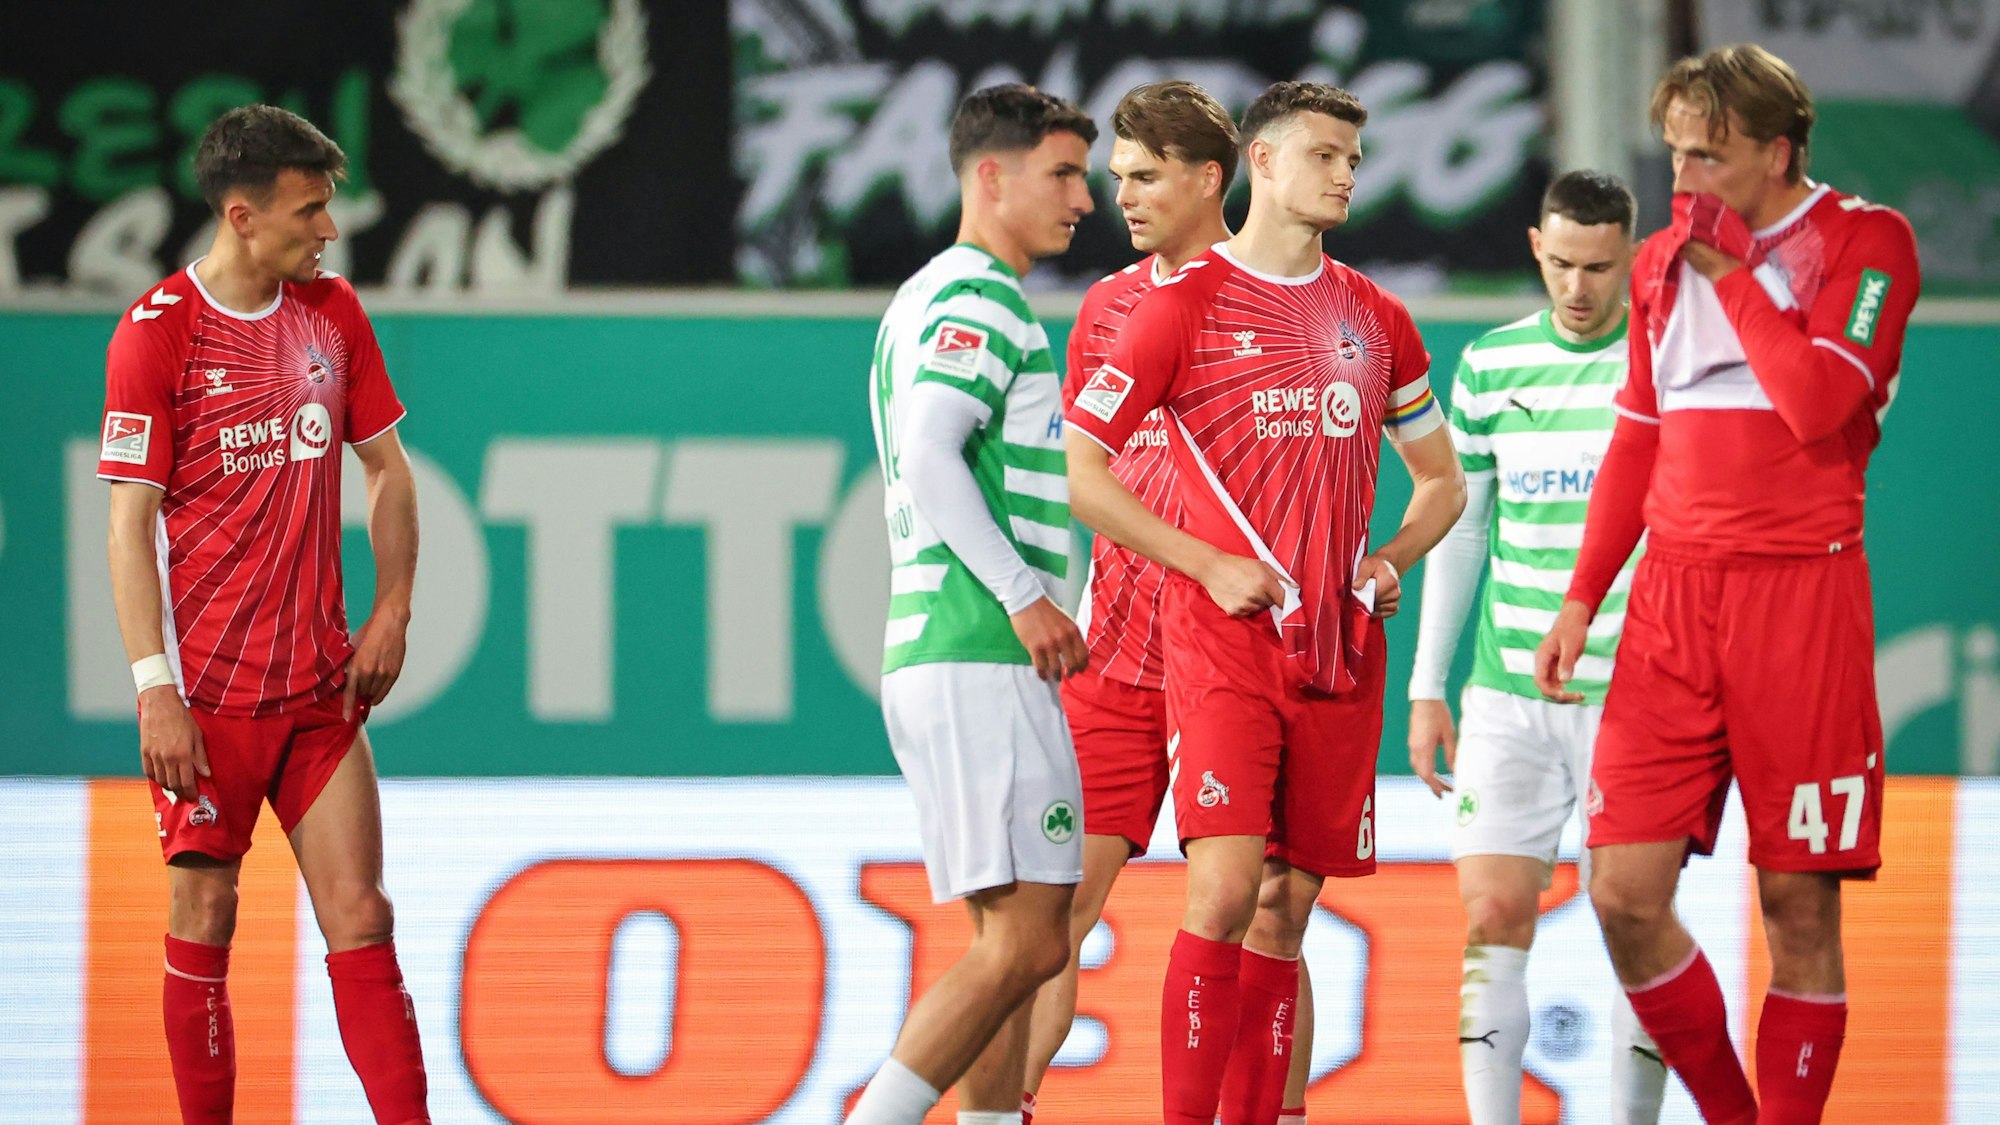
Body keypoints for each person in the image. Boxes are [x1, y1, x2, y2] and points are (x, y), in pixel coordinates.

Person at [1064, 81, 1465, 1125]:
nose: (1342, 174)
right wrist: (1199, 562)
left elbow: (1442, 483)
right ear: (1261, 161)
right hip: (1222, 645)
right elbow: (1083, 473)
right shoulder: (1179, 306)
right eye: (1323, 155)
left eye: (1351, 160)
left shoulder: (1375, 318)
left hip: (1336, 652)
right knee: (1226, 889)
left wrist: (1390, 562)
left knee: (1285, 916)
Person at [1535, 44, 1921, 1125]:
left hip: (1799, 598)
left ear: (1776, 151)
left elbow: (1812, 405)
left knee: (1796, 905)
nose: (1681, 180)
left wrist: (1730, 272)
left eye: (1706, 157)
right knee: (1618, 891)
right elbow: (1637, 436)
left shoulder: (1866, 240)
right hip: (1669, 602)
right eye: (1671, 155)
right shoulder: (1660, 257)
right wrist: (1580, 596)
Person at [98, 105, 428, 1124]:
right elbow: (127, 529)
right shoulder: (159, 336)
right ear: (242, 217)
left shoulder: (333, 316)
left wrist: (393, 613)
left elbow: (388, 472)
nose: (326, 231)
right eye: (309, 212)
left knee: (362, 916)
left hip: (318, 697)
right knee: (206, 908)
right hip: (207, 709)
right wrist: (155, 689)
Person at [1020, 79, 1329, 1125]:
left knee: (1268, 913)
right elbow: (1087, 474)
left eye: (1143, 177)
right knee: (1050, 916)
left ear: (1211, 177)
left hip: (1238, 651)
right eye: (1114, 180)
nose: (1121, 198)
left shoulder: (1298, 308)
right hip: (1118, 649)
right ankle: (1001, 1109)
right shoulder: (1107, 309)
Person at [849, 83, 1097, 1125]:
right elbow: (925, 452)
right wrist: (1024, 597)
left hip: (944, 649)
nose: (1084, 199)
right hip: (981, 645)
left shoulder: (920, 297)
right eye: (1063, 173)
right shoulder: (980, 298)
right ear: (988, 177)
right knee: (1036, 938)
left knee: (1008, 941)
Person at [1407, 170, 1668, 1124]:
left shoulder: (1662, 364)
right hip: (1507, 694)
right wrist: (1427, 685)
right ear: (1535, 247)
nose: (1577, 286)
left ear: (1630, 255)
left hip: (1636, 700)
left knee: (1636, 925)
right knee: (1492, 917)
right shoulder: (1490, 365)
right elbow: (1465, 530)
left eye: (1599, 266)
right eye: (1560, 262)